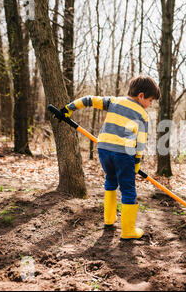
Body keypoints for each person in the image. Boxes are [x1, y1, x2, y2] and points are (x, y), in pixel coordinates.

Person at [60, 75, 160, 240]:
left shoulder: (114, 101)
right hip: (124, 153)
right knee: (128, 189)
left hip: (104, 149)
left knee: (111, 181)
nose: (150, 105)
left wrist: (68, 109)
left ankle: (109, 219)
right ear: (141, 96)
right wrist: (136, 162)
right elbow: (140, 143)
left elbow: (88, 99)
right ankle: (128, 231)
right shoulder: (142, 114)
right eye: (150, 100)